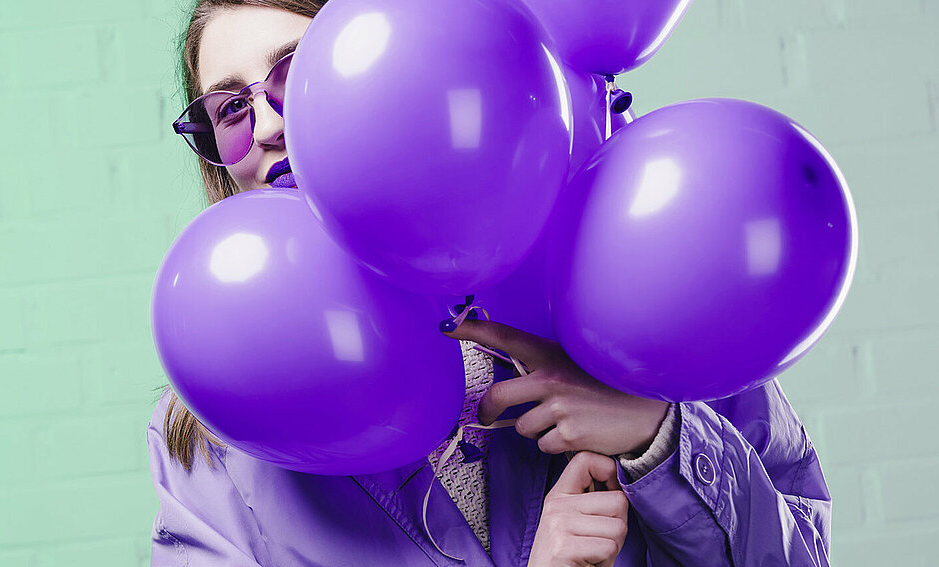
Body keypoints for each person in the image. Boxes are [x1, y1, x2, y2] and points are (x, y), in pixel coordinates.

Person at [147, 1, 833, 565]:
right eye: (230, 110)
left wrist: (659, 439)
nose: (267, 123)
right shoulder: (218, 429)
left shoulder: (655, 285)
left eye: (295, 73)